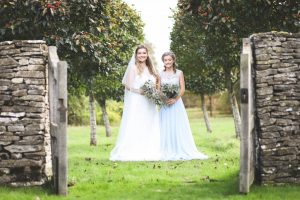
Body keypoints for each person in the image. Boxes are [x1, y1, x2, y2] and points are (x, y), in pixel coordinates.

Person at [110, 45, 161, 161]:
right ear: (136, 55)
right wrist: (140, 91)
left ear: (147, 55)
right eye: (139, 53)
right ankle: (134, 149)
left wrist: (154, 92)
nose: (142, 55)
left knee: (149, 123)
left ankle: (150, 149)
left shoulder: (151, 69)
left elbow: (156, 84)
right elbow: (128, 85)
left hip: (150, 102)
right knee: (137, 123)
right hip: (137, 101)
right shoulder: (133, 68)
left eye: (144, 53)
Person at [159, 51, 208, 161]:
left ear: (173, 61)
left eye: (169, 60)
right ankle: (166, 148)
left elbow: (182, 89)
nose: (167, 62)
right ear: (163, 61)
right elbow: (158, 89)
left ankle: (180, 147)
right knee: (165, 125)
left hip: (177, 104)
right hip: (165, 104)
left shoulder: (179, 73)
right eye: (165, 60)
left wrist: (175, 99)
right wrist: (165, 98)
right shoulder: (160, 74)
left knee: (177, 125)